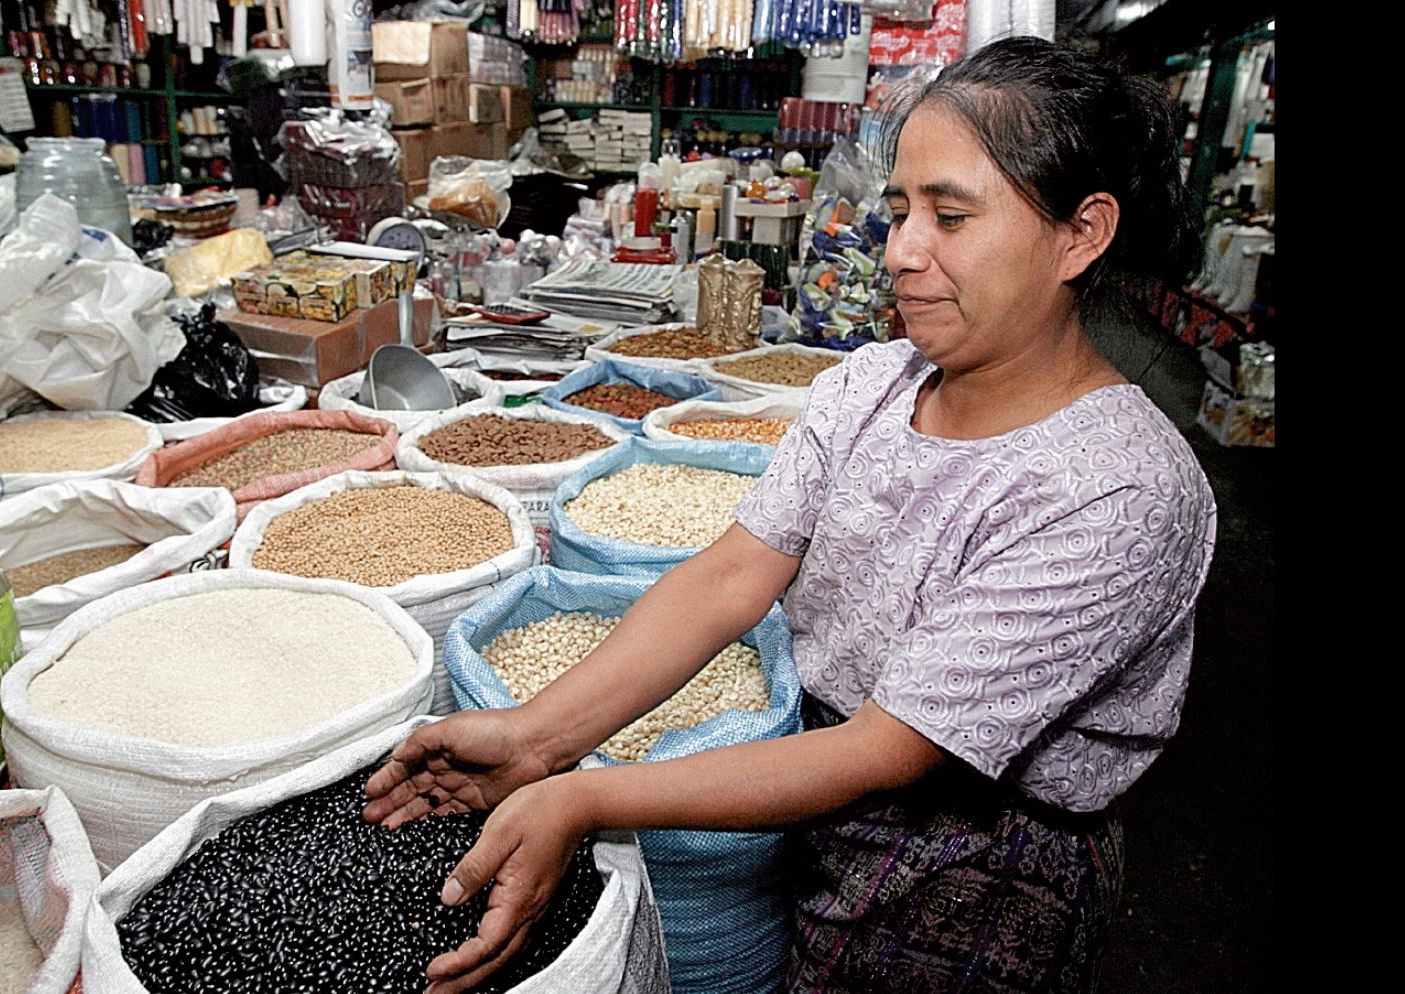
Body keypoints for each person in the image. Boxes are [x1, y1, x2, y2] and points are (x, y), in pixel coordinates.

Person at [364, 35, 1218, 994]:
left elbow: (888, 749)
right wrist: (537, 736)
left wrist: (584, 796)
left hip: (981, 860)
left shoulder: (1117, 491)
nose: (901, 252)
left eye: (950, 216)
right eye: (898, 211)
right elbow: (733, 575)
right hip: (815, 766)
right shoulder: (872, 387)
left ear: (1081, 234)